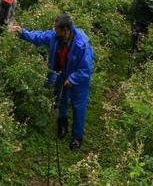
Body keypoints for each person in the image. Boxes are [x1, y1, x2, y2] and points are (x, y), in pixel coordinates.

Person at [11, 13, 94, 151]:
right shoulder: (55, 37)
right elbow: (39, 36)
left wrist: (72, 79)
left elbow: (86, 69)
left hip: (79, 79)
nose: (54, 31)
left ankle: (77, 138)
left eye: (57, 29)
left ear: (66, 30)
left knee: (78, 106)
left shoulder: (82, 45)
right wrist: (23, 33)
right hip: (62, 72)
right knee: (61, 99)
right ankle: (62, 125)